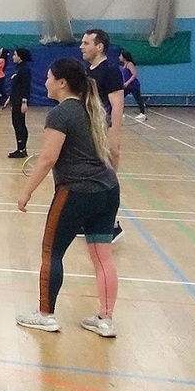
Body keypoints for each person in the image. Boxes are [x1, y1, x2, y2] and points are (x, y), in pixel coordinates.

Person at [16, 58, 120, 338]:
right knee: (102, 258)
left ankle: (46, 315)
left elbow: (48, 157)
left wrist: (26, 191)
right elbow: (113, 154)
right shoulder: (94, 110)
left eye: (49, 77)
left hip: (75, 192)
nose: (46, 82)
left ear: (62, 83)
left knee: (52, 253)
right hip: (108, 190)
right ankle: (106, 320)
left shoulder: (61, 114)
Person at [80, 28, 124, 242]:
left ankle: (112, 224)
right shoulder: (89, 70)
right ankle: (94, 221)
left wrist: (113, 134)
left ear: (99, 46)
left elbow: (117, 104)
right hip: (91, 131)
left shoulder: (111, 70)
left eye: (86, 43)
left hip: (104, 131)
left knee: (105, 178)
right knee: (92, 178)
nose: (82, 46)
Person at [7, 48, 33, 158]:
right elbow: (16, 86)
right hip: (15, 99)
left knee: (19, 124)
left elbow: (25, 87)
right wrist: (10, 98)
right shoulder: (18, 68)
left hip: (20, 101)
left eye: (15, 54)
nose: (13, 56)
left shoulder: (25, 69)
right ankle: (20, 148)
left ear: (20, 56)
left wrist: (24, 102)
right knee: (16, 123)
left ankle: (22, 149)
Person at [119, 50, 147, 122]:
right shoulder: (124, 65)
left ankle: (142, 113)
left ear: (124, 57)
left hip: (133, 85)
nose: (119, 57)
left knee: (138, 98)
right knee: (120, 97)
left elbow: (134, 74)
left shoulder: (129, 64)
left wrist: (127, 83)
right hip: (127, 86)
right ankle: (121, 113)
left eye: (121, 56)